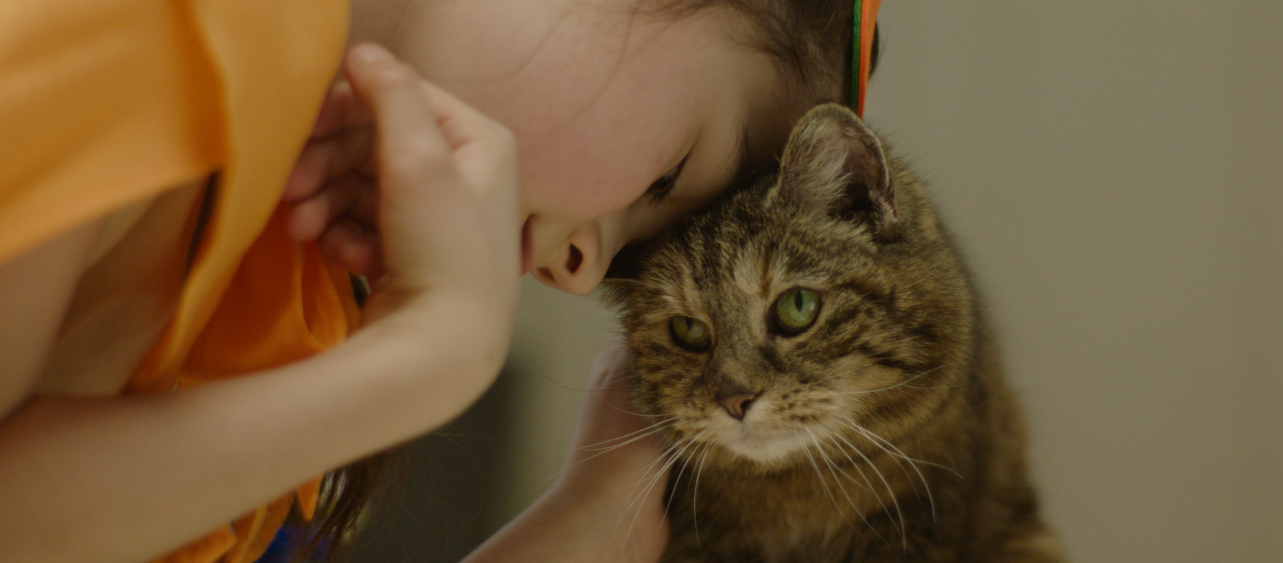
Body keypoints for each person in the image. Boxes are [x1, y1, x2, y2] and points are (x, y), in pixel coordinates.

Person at [0, 0, 879, 561]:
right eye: (666, 180)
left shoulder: (287, 270)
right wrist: (420, 364)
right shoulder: (154, 25)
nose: (579, 275)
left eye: (620, 259)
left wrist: (594, 516)